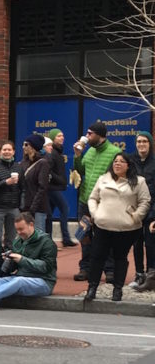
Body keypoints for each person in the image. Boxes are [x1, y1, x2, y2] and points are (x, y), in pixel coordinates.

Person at [84, 151, 151, 303]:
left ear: (128, 166)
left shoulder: (138, 181)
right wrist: (95, 213)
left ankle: (118, 289)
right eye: (115, 161)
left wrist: (136, 217)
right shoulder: (103, 179)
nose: (117, 164)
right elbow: (93, 198)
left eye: (121, 161)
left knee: (120, 258)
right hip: (102, 226)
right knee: (97, 257)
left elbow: (145, 202)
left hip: (126, 228)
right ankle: (92, 288)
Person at [0, 211, 57, 309]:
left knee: (19, 281)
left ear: (31, 225)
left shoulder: (46, 242)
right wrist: (8, 260)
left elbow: (46, 267)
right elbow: (12, 269)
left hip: (44, 282)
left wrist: (21, 259)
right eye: (17, 230)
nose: (19, 232)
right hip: (22, 277)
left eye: (21, 229)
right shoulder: (18, 241)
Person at [72, 121, 119, 282]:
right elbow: (80, 171)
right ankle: (85, 268)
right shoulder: (90, 151)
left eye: (90, 133)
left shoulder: (114, 152)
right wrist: (77, 156)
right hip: (85, 200)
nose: (87, 136)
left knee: (105, 236)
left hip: (104, 203)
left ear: (99, 135)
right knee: (84, 235)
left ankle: (110, 270)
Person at [129, 131, 155, 287]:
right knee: (136, 242)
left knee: (151, 242)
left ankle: (151, 274)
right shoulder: (131, 161)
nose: (141, 144)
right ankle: (139, 273)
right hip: (134, 209)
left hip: (151, 209)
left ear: (150, 143)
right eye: (139, 141)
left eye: (144, 141)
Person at [44, 128, 75, 247]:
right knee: (64, 208)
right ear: (52, 139)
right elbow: (49, 171)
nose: (62, 138)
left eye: (62, 135)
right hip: (52, 188)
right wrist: (60, 179)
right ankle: (65, 238)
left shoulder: (58, 152)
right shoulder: (52, 154)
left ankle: (48, 238)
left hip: (55, 187)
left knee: (49, 213)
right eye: (58, 136)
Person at [19, 133, 50, 235]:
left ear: (33, 146)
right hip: (25, 206)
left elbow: (42, 187)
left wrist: (33, 207)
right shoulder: (23, 163)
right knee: (25, 235)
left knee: (38, 235)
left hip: (38, 208)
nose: (23, 147)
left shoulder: (43, 163)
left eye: (26, 144)